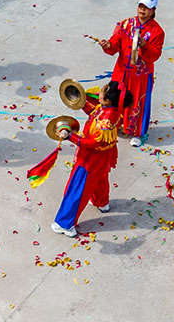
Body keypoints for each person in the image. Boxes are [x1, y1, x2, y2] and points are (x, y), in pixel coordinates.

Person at [49, 80, 128, 237]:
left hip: (91, 159)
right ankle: (101, 202)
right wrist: (81, 102)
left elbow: (92, 143)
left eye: (102, 92)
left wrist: (70, 136)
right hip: (104, 156)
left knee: (78, 188)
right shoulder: (112, 110)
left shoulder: (105, 123)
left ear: (108, 100)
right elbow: (94, 112)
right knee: (100, 178)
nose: (99, 93)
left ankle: (65, 224)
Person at [94, 0, 164, 147]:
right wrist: (108, 46)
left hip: (140, 75)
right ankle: (114, 124)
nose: (143, 10)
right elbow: (115, 43)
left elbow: (155, 55)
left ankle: (137, 133)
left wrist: (144, 45)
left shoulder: (157, 32)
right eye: (141, 6)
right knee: (115, 98)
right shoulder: (126, 24)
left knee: (138, 103)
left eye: (147, 8)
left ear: (153, 11)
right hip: (121, 70)